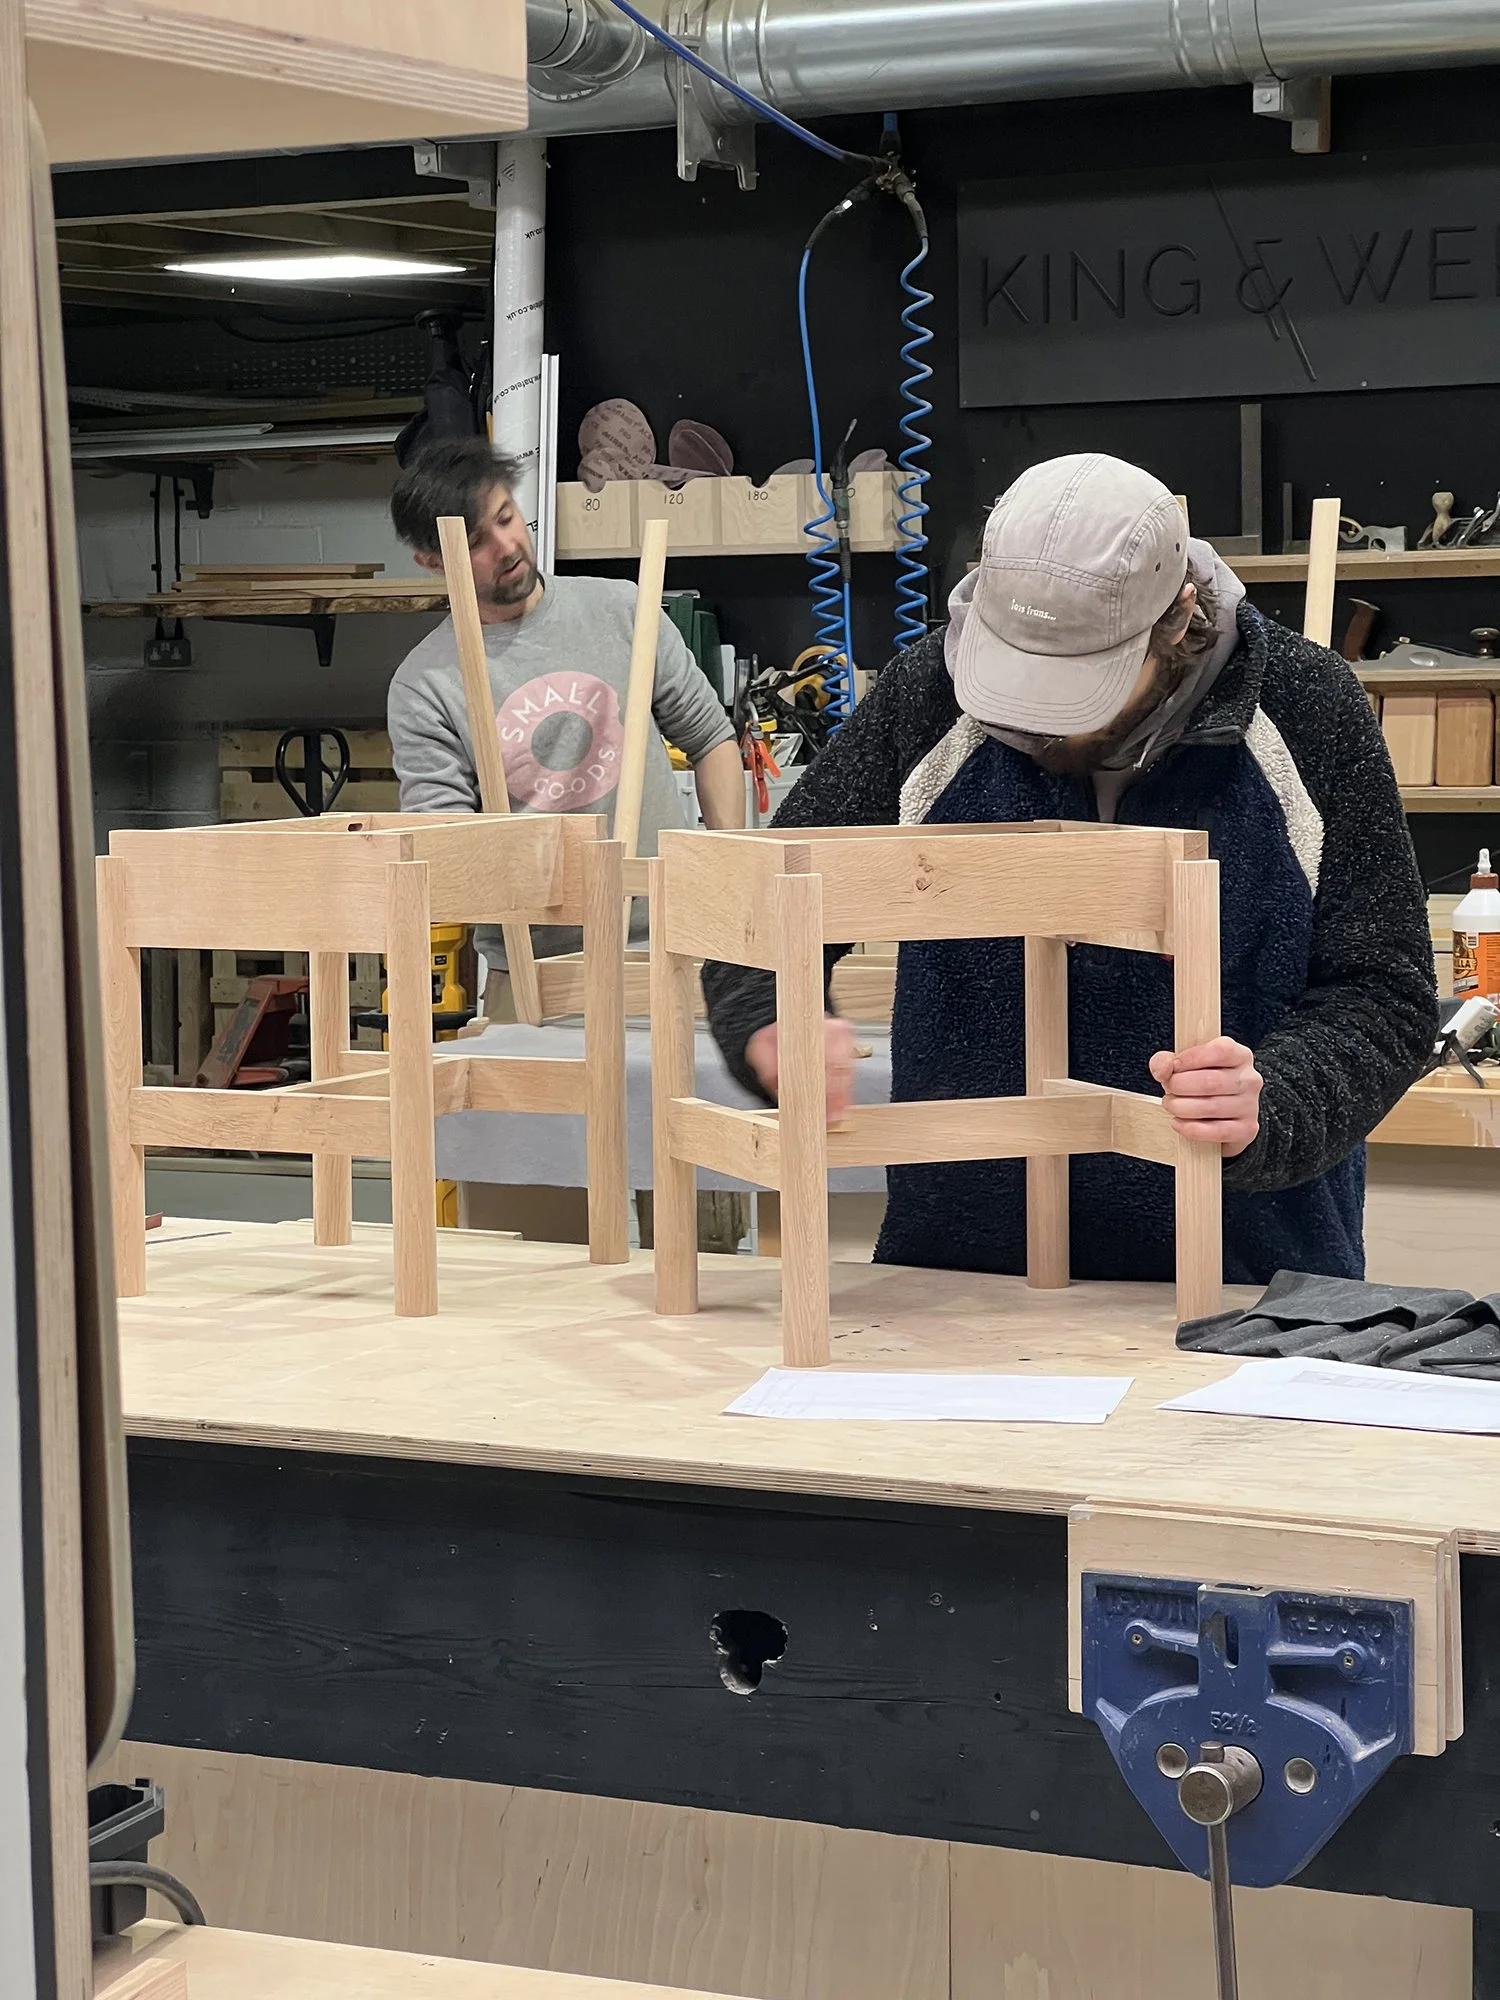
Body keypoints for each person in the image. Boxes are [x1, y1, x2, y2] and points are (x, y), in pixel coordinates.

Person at [703, 453, 1437, 1285]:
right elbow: (756, 906)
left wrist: (1274, 1102)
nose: (1037, 723)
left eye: (1080, 686)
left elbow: (1385, 988)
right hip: (960, 1281)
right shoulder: (929, 696)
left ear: (1178, 617)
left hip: (1248, 1279)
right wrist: (771, 1018)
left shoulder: (1308, 710)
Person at [387, 438, 744, 1013]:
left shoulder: (621, 611)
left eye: (507, 517)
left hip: (670, 948)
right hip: (531, 974)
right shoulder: (425, 685)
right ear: (432, 561)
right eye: (478, 540)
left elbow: (710, 739)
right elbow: (449, 849)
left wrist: (730, 868)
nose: (507, 546)